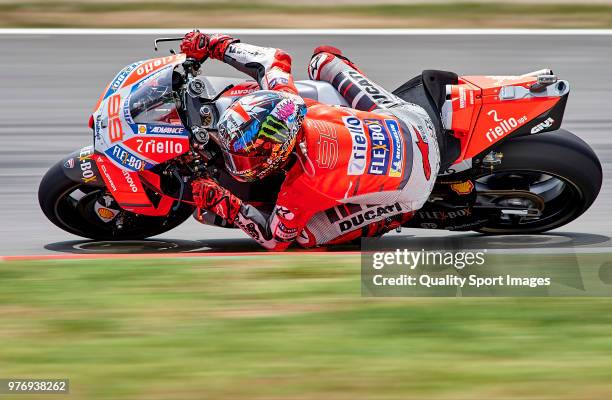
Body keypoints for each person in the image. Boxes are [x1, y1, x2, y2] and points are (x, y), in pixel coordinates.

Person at [180, 31, 440, 250]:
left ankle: (397, 214)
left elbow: (275, 239)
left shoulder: (301, 187)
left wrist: (224, 203)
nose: (238, 160)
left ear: (277, 152)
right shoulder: (288, 102)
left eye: (247, 155)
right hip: (411, 121)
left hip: (416, 185)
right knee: (322, 59)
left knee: (305, 236)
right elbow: (273, 59)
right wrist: (215, 44)